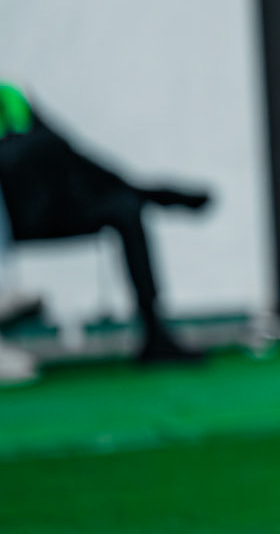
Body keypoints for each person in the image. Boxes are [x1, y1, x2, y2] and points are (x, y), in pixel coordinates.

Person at [0, 82, 212, 365]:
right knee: (41, 148)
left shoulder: (11, 97)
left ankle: (156, 337)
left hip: (43, 211)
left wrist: (132, 188)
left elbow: (69, 151)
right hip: (10, 221)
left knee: (125, 208)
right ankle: (154, 194)